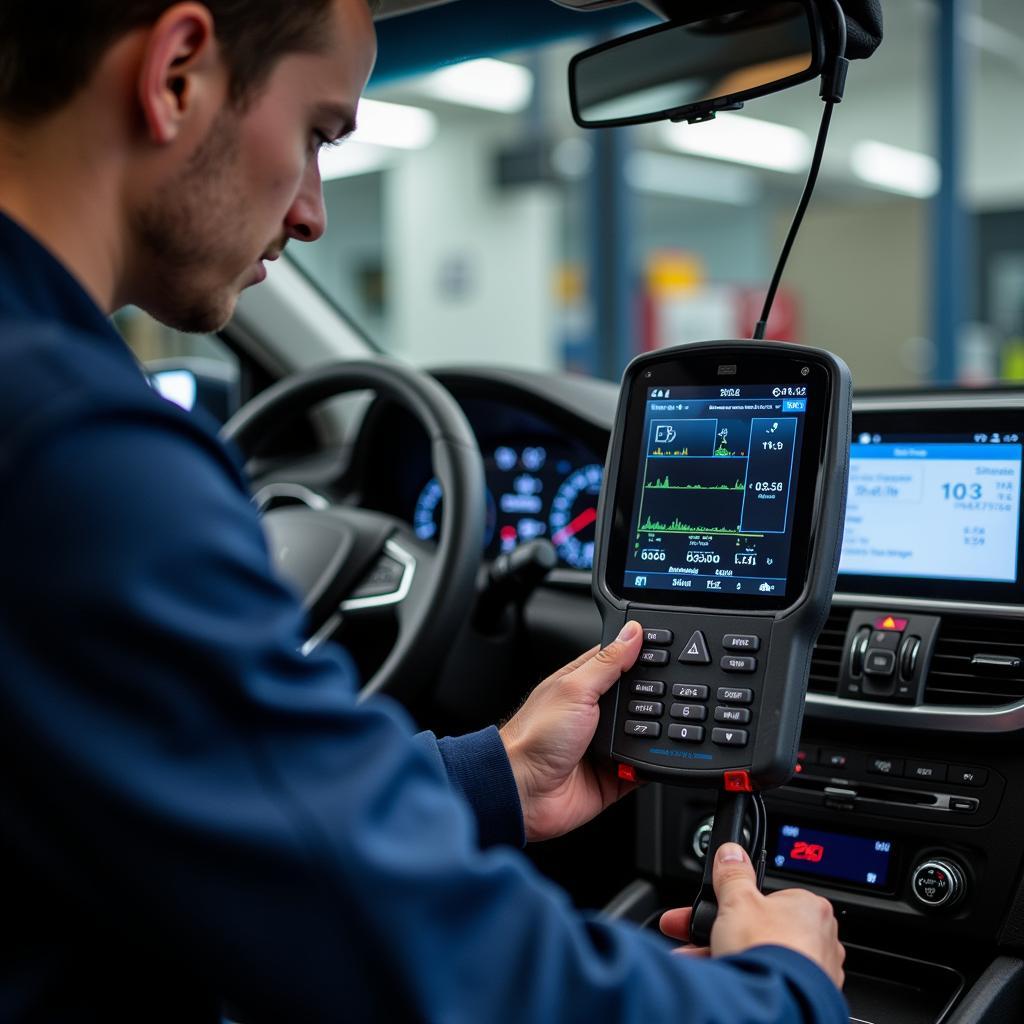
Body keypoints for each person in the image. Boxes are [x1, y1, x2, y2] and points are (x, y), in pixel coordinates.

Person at [0, 1, 847, 1020]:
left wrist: (494, 777)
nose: (312, 210)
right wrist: (783, 992)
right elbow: (427, 956)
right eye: (317, 133)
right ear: (176, 73)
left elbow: (223, 810)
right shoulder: (76, 453)